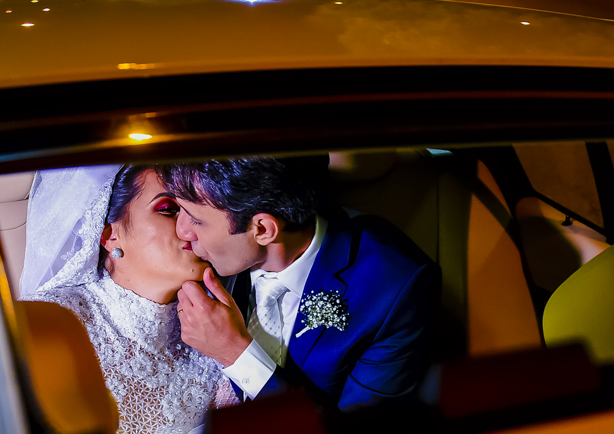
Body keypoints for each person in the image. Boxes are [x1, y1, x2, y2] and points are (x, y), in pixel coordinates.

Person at [164, 157, 439, 411]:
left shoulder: (396, 288)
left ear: (262, 229)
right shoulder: (199, 258)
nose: (181, 231)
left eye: (196, 220)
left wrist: (235, 353)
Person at [18, 164, 237, 434]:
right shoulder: (52, 323)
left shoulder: (224, 324)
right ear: (110, 236)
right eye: (169, 209)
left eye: (197, 209)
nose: (190, 226)